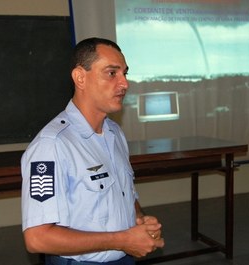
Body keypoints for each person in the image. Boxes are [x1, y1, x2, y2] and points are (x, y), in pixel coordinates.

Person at [21, 37, 164, 265]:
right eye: (111, 73)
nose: (124, 83)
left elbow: (124, 193)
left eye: (125, 73)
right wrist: (123, 239)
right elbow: (37, 238)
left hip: (125, 258)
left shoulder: (115, 133)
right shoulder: (52, 145)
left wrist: (139, 221)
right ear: (80, 77)